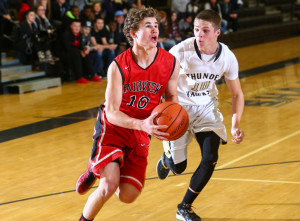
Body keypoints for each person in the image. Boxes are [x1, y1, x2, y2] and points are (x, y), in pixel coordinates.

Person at [75, 6, 180, 221]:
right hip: (113, 127)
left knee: (127, 196)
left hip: (142, 130)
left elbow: (171, 99)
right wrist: (143, 125)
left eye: (156, 26)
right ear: (133, 33)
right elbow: (112, 112)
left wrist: (172, 122)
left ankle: (99, 166)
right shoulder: (118, 66)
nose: (154, 30)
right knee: (108, 186)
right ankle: (98, 168)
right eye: (148, 26)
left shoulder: (170, 63)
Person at [156, 9, 244, 221]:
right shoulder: (180, 51)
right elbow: (162, 84)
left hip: (206, 108)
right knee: (179, 168)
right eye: (196, 30)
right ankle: (168, 159)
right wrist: (165, 113)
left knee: (211, 157)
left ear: (217, 32)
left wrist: (234, 125)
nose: (199, 35)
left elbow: (237, 94)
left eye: (205, 30)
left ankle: (184, 206)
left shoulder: (227, 57)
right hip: (179, 108)